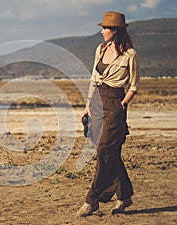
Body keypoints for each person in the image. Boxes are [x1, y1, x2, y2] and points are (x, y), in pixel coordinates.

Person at [76, 11, 140, 216]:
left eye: (106, 28)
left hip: (115, 104)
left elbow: (134, 85)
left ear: (116, 31)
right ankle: (124, 196)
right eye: (103, 28)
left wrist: (123, 103)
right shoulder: (100, 49)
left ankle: (92, 199)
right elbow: (94, 79)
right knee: (110, 153)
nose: (102, 32)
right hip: (97, 103)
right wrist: (87, 105)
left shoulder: (130, 55)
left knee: (103, 151)